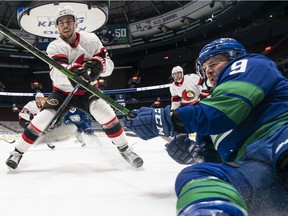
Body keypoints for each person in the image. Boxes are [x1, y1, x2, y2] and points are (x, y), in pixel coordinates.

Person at [124, 38, 288, 215]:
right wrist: (196, 155)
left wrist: (164, 119)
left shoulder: (250, 64)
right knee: (197, 176)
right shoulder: (207, 105)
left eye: (214, 63)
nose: (208, 70)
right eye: (205, 67)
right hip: (254, 167)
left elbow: (220, 114)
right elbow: (213, 158)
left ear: (235, 57)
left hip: (280, 135)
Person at [6, 6, 143, 169]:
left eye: (69, 21)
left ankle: (125, 149)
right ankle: (17, 152)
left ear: (76, 23)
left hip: (87, 91)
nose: (65, 25)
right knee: (42, 119)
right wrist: (75, 73)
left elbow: (109, 67)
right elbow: (56, 75)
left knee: (105, 112)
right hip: (62, 92)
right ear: (57, 27)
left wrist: (100, 66)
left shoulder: (91, 40)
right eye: (61, 22)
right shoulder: (54, 47)